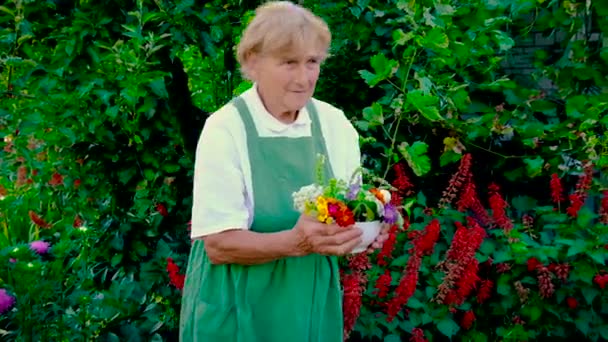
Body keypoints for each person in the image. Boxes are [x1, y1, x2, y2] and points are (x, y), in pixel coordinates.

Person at [179, 2, 389, 341]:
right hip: (239, 303)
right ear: (253, 63)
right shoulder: (226, 129)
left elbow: (345, 216)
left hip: (308, 299)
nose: (304, 78)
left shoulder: (334, 125)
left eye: (312, 62)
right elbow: (218, 246)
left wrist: (363, 234)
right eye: (289, 63)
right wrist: (295, 242)